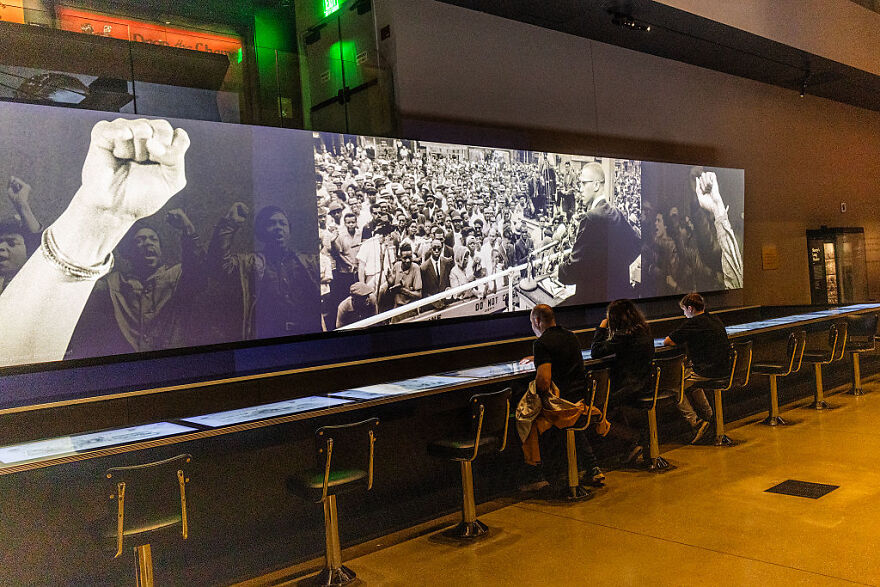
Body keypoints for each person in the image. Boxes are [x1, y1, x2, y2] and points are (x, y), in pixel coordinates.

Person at [0, 118, 191, 366]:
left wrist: (101, 219)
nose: (2, 249)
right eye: (140, 242)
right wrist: (99, 221)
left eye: (152, 240)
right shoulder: (113, 286)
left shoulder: (174, 277)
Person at [521, 304, 604, 495]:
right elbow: (561, 357)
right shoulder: (570, 336)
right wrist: (538, 359)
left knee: (525, 420)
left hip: (560, 408)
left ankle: (538, 476)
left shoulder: (541, 344)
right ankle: (592, 467)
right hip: (579, 403)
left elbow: (543, 382)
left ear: (537, 321)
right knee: (572, 423)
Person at [208, 202, 321, 340]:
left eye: (282, 224)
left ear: (289, 230)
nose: (278, 228)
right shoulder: (250, 263)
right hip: (267, 337)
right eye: (271, 224)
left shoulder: (310, 262)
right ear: (261, 232)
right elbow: (218, 265)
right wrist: (229, 224)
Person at [558, 163, 641, 305]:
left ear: (596, 185)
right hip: (618, 296)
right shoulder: (616, 212)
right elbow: (636, 245)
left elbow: (575, 267)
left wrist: (559, 271)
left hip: (594, 298)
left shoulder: (590, 217)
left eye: (584, 183)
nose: (580, 189)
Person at [590, 299, 656, 466]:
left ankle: (635, 438)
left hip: (631, 388)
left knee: (600, 411)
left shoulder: (624, 335)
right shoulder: (644, 330)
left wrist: (601, 327)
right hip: (645, 384)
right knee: (612, 408)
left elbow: (596, 352)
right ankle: (632, 445)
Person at [663, 292, 731, 443]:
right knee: (692, 385)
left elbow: (668, 341)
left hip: (707, 370)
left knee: (674, 386)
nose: (684, 314)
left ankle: (696, 422)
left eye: (684, 310)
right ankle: (710, 417)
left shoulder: (693, 323)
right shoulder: (714, 318)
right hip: (725, 369)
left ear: (690, 308)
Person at [0, 177, 42, 295]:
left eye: (11, 243)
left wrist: (22, 205)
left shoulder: (36, 283)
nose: (1, 247)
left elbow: (41, 250)